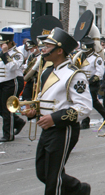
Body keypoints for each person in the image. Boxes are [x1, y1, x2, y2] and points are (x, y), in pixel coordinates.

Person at [24, 27, 92, 194]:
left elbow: (84, 107)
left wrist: (55, 118)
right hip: (47, 129)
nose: (43, 49)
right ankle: (79, 189)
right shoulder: (47, 72)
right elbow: (45, 100)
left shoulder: (74, 75)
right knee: (43, 173)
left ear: (59, 50)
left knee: (53, 179)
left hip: (63, 129)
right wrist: (34, 112)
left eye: (47, 46)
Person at [0, 32, 26, 142]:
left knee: (7, 108)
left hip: (12, 82)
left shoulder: (17, 53)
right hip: (1, 82)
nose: (2, 45)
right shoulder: (5, 53)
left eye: (4, 44)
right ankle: (18, 122)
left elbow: (13, 67)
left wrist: (4, 53)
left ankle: (8, 135)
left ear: (10, 43)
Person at [79, 37, 105, 129]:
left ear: (91, 49)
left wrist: (90, 81)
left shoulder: (97, 58)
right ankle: (85, 122)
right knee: (86, 101)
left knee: (93, 101)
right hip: (84, 82)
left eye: (86, 50)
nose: (85, 52)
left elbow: (99, 73)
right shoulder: (83, 57)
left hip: (92, 83)